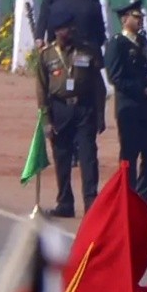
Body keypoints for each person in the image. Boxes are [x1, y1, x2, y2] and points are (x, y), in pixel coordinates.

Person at [37, 27, 108, 219]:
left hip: (84, 108)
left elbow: (98, 86)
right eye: (60, 30)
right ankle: (65, 202)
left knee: (88, 156)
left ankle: (91, 201)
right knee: (62, 157)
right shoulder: (47, 55)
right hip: (59, 109)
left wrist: (101, 114)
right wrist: (46, 121)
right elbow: (41, 91)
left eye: (67, 29)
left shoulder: (86, 51)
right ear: (55, 32)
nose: (64, 33)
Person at [108, 0, 147, 200]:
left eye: (141, 17)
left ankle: (142, 195)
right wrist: (142, 90)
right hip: (129, 106)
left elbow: (144, 71)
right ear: (125, 20)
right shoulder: (117, 43)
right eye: (136, 17)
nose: (140, 20)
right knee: (129, 154)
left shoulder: (141, 42)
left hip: (146, 107)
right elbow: (116, 77)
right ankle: (126, 195)